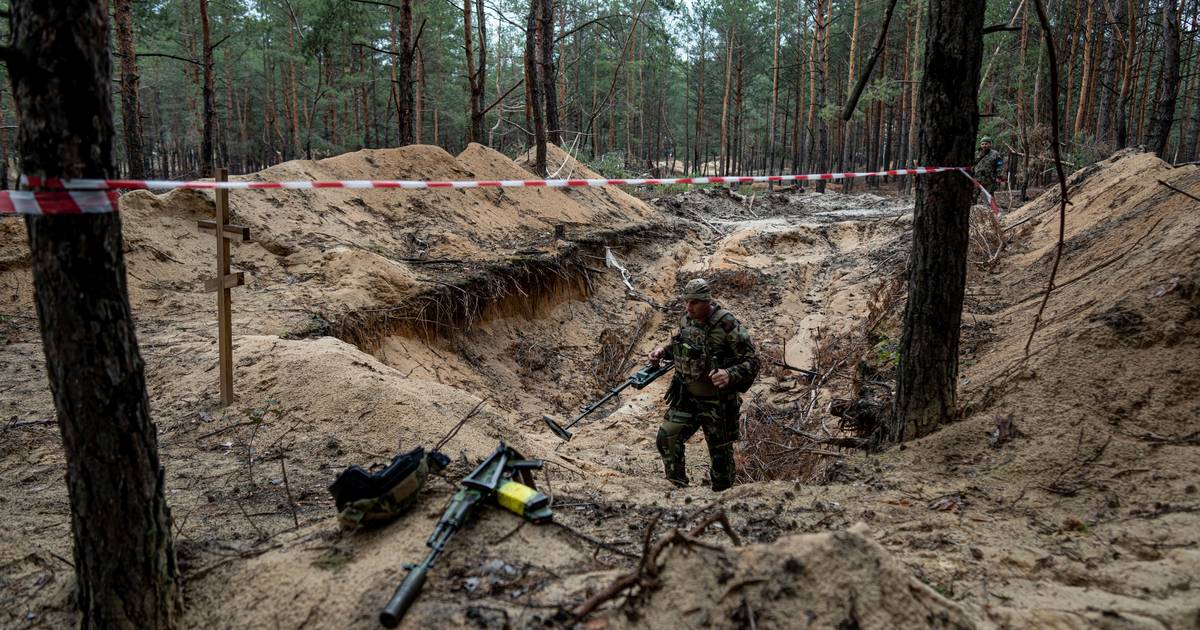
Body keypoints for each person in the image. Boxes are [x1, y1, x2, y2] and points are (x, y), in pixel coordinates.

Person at [648, 278, 759, 491]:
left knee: (720, 455)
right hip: (687, 395)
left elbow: (753, 361)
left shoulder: (727, 325)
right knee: (667, 438)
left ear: (706, 301)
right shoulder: (687, 320)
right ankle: (678, 489)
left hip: (718, 401)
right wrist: (663, 351)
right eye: (686, 302)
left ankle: (722, 497)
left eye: (694, 302)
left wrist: (730, 374)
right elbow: (682, 345)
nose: (688, 307)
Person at [974, 136, 1005, 202]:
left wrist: (999, 175)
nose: (984, 145)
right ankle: (973, 208)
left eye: (986, 144)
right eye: (982, 144)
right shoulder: (977, 153)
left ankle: (989, 209)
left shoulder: (995, 154)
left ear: (990, 144)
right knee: (974, 194)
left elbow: (1000, 165)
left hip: (989, 179)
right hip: (977, 177)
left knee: (988, 195)